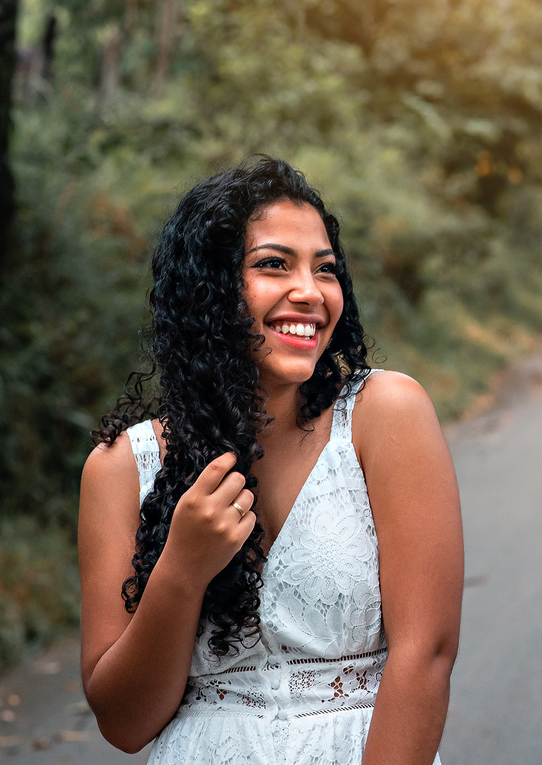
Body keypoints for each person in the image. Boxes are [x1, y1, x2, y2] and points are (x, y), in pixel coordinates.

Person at [78, 157, 464, 764]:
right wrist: (181, 568)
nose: (309, 292)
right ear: (207, 289)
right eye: (273, 265)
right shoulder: (123, 467)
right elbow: (125, 724)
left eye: (326, 270)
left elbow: (428, 653)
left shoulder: (383, 414)